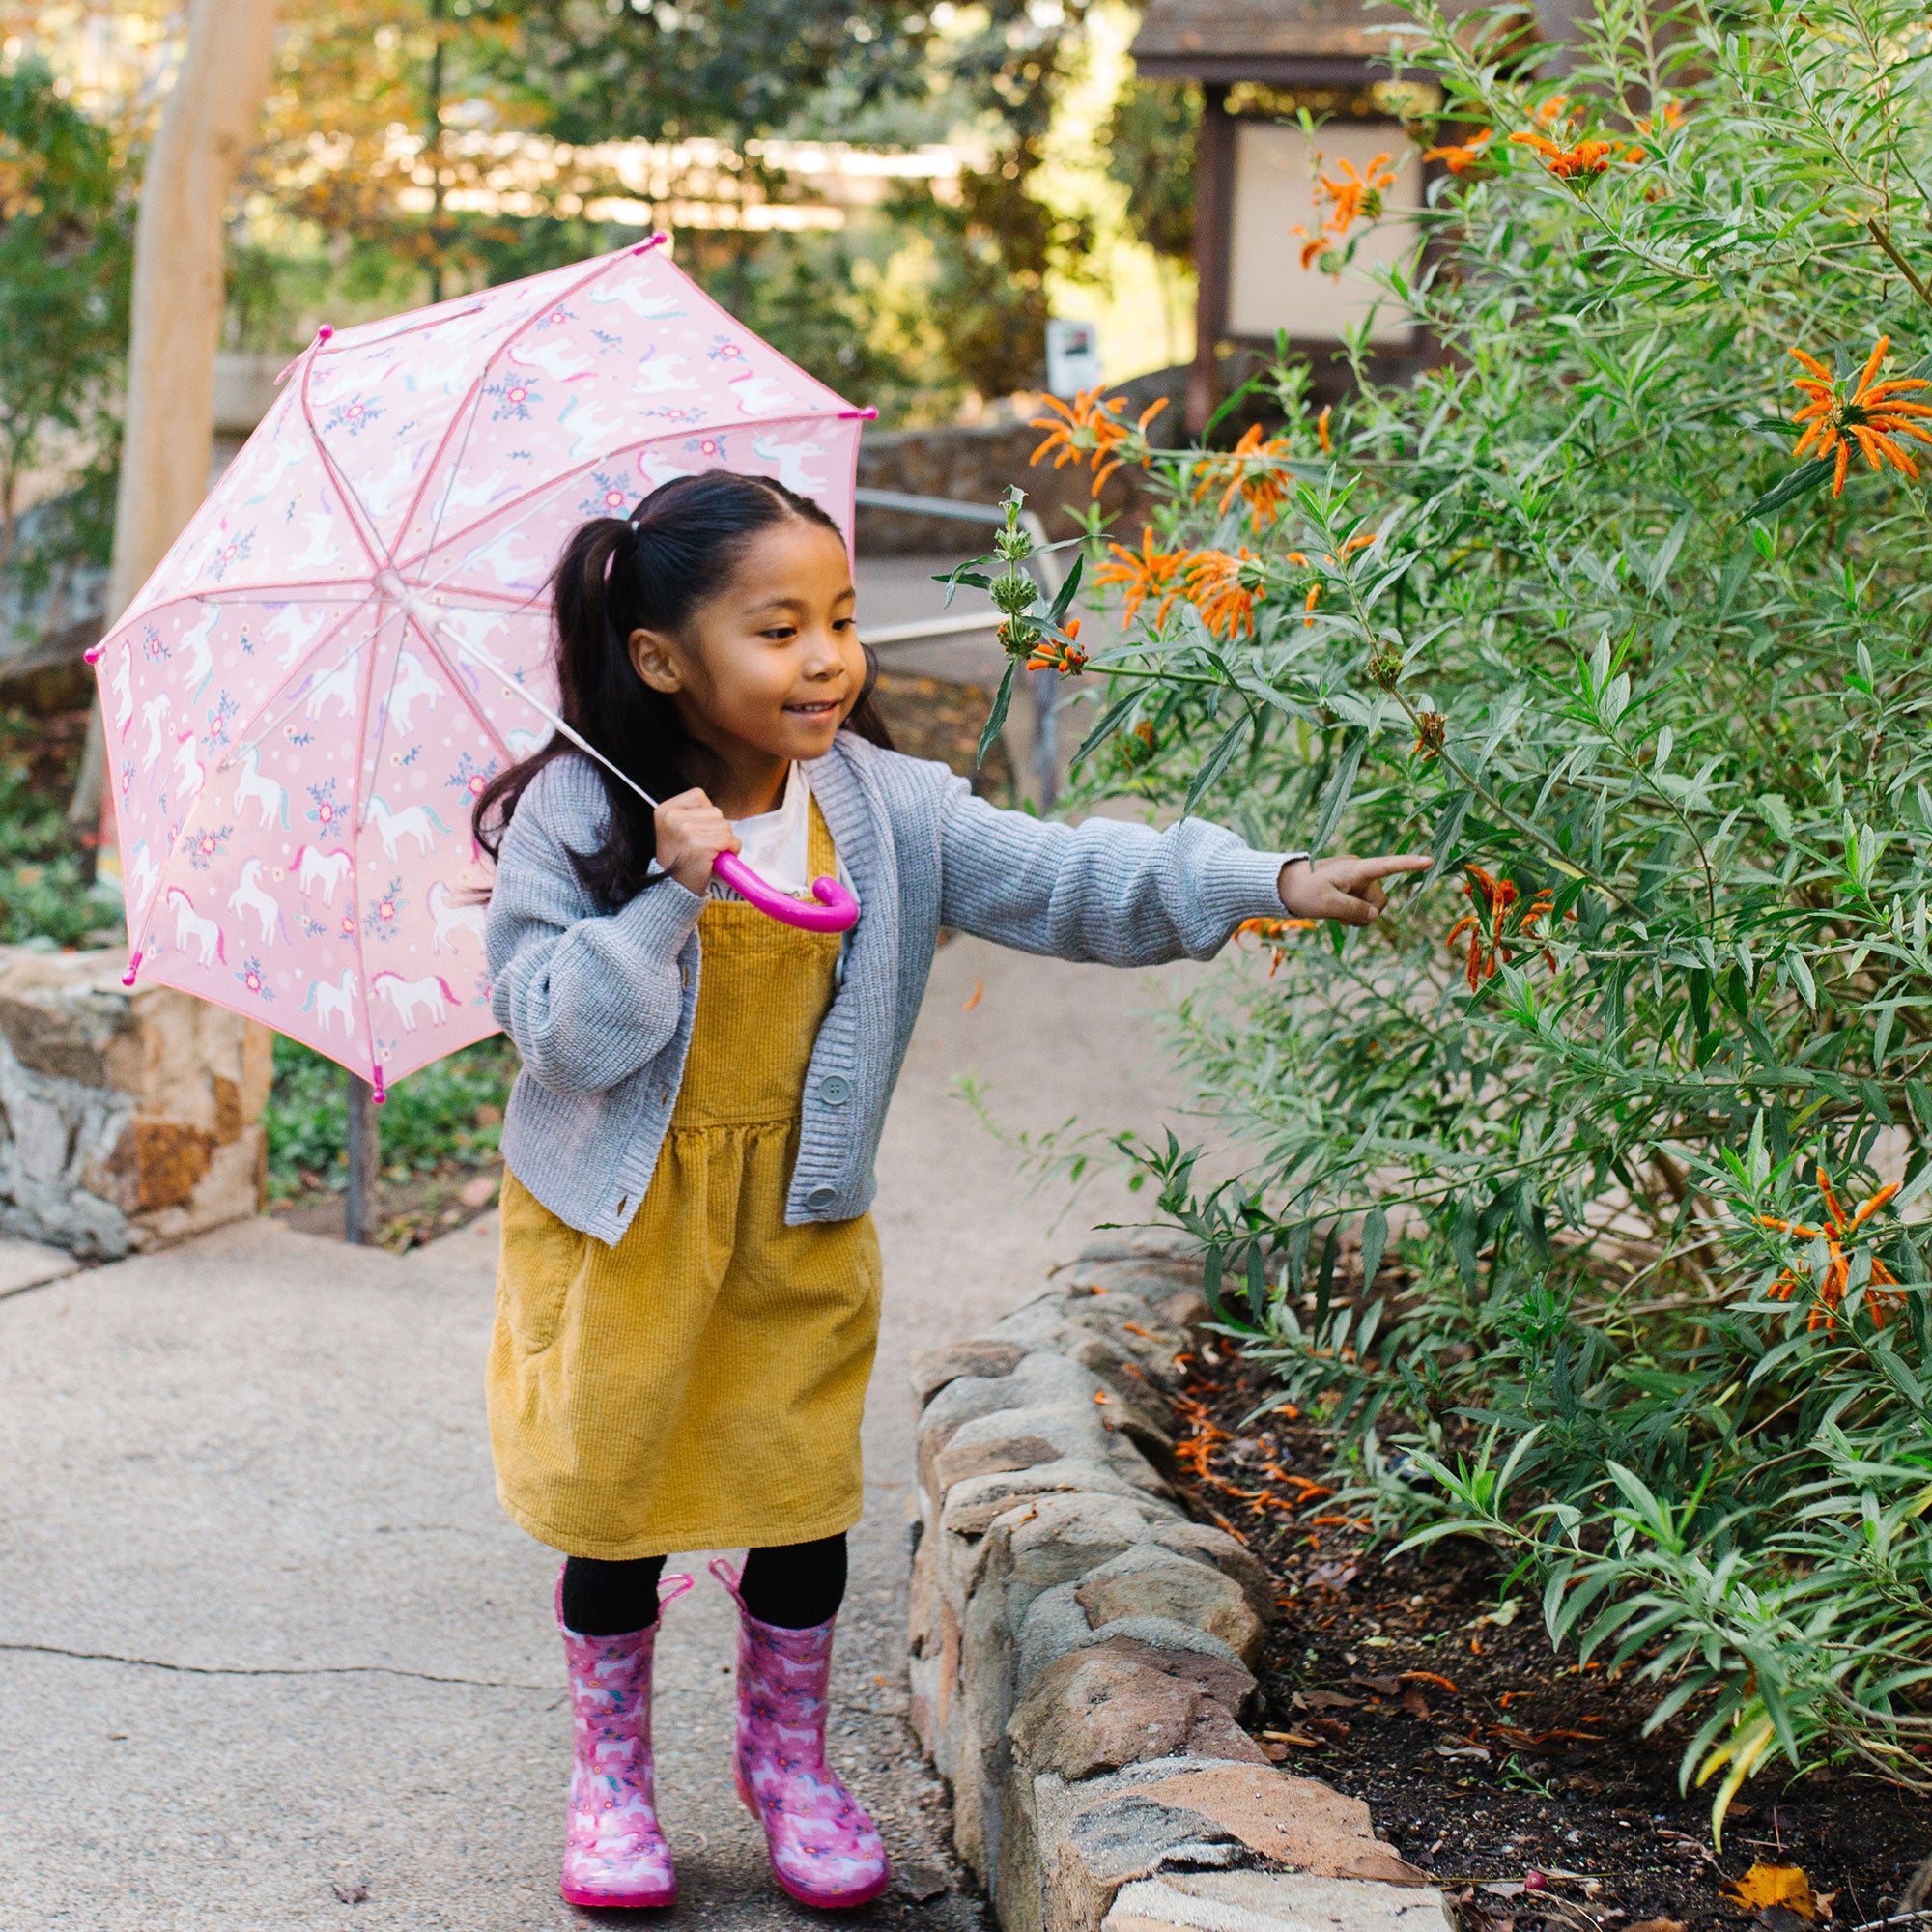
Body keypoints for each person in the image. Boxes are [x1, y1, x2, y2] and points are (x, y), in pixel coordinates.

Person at [473, 469, 1428, 1913]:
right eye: (778, 630)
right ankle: (610, 1781)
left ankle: (786, 1766)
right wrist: (670, 893)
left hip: (791, 1214)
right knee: (618, 1499)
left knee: (799, 1495)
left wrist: (1265, 882)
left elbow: (1067, 877)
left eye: (842, 619)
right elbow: (561, 1036)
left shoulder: (885, 809)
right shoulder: (582, 813)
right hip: (623, 1225)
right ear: (663, 660)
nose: (827, 659)